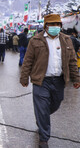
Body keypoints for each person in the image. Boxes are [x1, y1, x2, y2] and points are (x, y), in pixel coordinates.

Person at [20, 14, 80, 148]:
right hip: (41, 81)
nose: (55, 27)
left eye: (57, 24)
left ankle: (41, 119)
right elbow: (28, 61)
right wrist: (24, 78)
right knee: (42, 108)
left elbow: (71, 61)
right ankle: (44, 138)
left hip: (58, 80)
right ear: (46, 26)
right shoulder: (35, 40)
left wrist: (76, 78)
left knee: (56, 104)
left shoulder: (66, 40)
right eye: (52, 24)